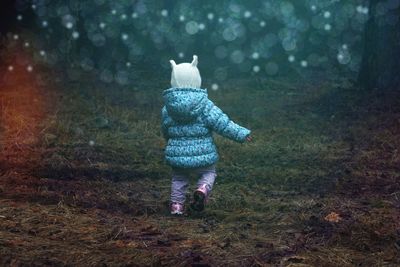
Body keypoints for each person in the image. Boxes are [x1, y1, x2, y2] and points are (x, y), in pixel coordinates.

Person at [161, 55, 252, 215]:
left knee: (179, 178)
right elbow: (223, 124)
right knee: (209, 173)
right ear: (197, 78)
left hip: (177, 154)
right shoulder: (205, 105)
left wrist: (170, 141)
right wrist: (241, 134)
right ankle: (202, 189)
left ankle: (176, 206)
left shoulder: (168, 108)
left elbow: (165, 129)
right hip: (204, 154)